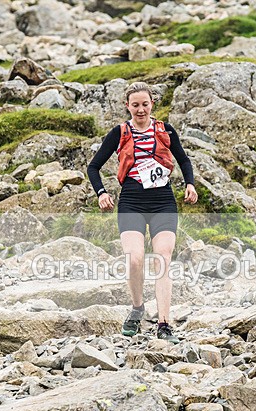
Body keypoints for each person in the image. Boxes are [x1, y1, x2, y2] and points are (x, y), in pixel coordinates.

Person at [87, 81, 198, 343]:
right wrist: (102, 193)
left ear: (152, 104)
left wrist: (190, 184)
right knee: (135, 259)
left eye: (144, 104)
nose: (140, 109)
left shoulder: (165, 130)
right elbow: (94, 167)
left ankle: (164, 323)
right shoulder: (120, 132)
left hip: (163, 201)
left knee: (163, 257)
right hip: (131, 202)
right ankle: (138, 309)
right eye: (135, 105)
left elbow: (183, 160)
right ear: (127, 106)